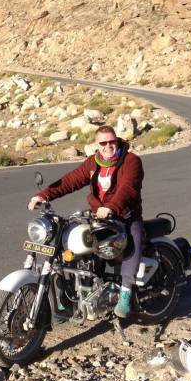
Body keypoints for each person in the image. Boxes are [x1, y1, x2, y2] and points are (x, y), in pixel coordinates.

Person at [28, 125, 144, 318]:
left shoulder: (131, 161)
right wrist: (43, 195)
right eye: (103, 143)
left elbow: (128, 188)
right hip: (99, 216)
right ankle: (72, 297)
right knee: (73, 246)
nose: (108, 146)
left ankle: (125, 292)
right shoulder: (93, 162)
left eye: (111, 142)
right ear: (96, 145)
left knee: (133, 239)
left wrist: (111, 207)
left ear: (117, 140)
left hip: (125, 214)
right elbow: (71, 180)